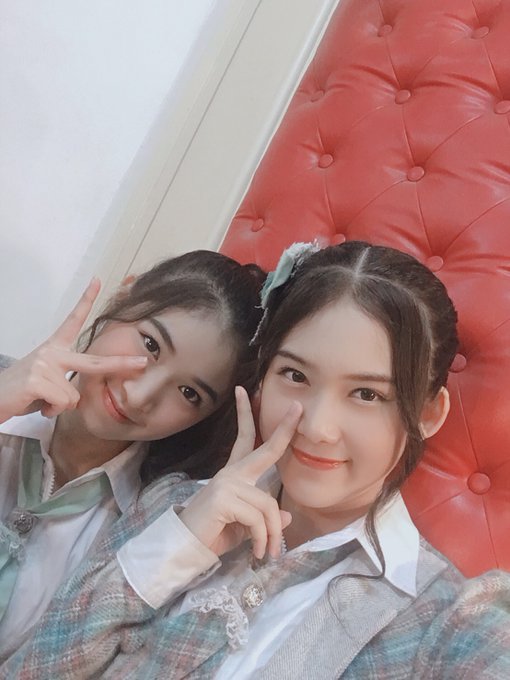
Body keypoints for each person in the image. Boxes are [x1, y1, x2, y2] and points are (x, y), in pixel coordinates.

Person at [3, 241, 510, 679]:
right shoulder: (170, 503)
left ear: (427, 413)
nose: (317, 427)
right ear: (262, 377)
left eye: (367, 394)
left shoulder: (442, 620)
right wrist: (177, 544)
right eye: (295, 375)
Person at [0, 250, 265, 658]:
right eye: (151, 344)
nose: (139, 396)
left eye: (189, 393)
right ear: (125, 295)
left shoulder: (151, 528)